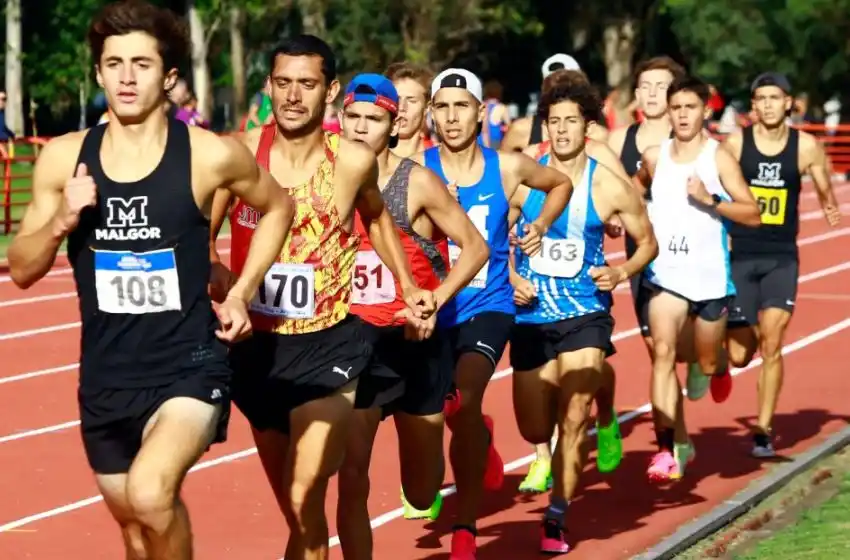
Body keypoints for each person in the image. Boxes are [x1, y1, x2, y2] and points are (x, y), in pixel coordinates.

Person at [8, 2, 295, 559]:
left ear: (168, 77)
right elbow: (21, 268)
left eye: (141, 64)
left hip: (188, 366)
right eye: (114, 63)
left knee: (151, 492)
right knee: (137, 534)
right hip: (106, 374)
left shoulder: (208, 156)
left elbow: (277, 208)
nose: (126, 76)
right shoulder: (65, 160)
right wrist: (64, 221)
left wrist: (240, 291)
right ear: (98, 73)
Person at [208, 35, 435, 560]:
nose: (292, 96)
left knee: (305, 490)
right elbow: (204, 226)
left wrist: (408, 284)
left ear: (329, 90)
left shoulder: (352, 161)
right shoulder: (243, 154)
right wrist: (216, 268)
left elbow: (377, 217)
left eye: (306, 84)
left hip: (331, 345)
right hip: (257, 351)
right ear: (268, 86)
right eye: (282, 83)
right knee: (300, 515)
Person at [405, 67, 573, 559]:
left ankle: (465, 526)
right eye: (443, 107)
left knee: (463, 394)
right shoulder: (416, 167)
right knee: (451, 415)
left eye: (462, 107)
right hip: (434, 309)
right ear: (431, 115)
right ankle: (482, 438)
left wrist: (540, 224)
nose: (452, 117)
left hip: (489, 305)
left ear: (481, 112)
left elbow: (559, 183)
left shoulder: (507, 167)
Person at [334, 73, 489, 559]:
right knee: (351, 471)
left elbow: (475, 249)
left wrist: (435, 299)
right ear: (339, 120)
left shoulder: (416, 181)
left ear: (393, 124)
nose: (361, 129)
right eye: (353, 118)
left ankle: (450, 435)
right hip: (353, 345)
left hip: (416, 344)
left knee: (422, 492)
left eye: (373, 119)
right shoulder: (323, 177)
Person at [509, 71, 658, 555]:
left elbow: (647, 243)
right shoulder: (523, 176)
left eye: (571, 121)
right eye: (554, 122)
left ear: (587, 126)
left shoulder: (609, 184)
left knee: (574, 417)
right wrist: (512, 278)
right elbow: (488, 238)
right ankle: (554, 459)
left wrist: (620, 273)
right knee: (535, 427)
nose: (562, 131)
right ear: (545, 127)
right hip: (531, 315)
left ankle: (556, 515)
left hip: (585, 316)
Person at [633, 75, 761, 482]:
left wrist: (712, 200)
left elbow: (753, 212)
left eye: (691, 107)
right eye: (677, 108)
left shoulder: (717, 157)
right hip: (666, 275)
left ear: (706, 111)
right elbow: (633, 193)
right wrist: (623, 220)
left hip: (709, 279)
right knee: (664, 354)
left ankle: (719, 365)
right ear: (667, 113)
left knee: (703, 360)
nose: (683, 115)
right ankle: (666, 449)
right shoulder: (655, 157)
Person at [721, 72, 841, 457]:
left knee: (773, 343)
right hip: (741, 253)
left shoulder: (805, 147)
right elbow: (715, 185)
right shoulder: (737, 145)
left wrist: (830, 208)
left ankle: (762, 429)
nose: (769, 104)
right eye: (761, 98)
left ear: (789, 103)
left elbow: (824, 185)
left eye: (776, 97)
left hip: (781, 257)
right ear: (753, 106)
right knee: (741, 353)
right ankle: (720, 360)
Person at [608, 56, 685, 349]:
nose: (652, 94)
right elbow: (606, 190)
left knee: (684, 342)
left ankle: (706, 355)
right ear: (636, 94)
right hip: (640, 248)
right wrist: (610, 217)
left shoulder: (688, 138)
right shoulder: (617, 141)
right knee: (656, 346)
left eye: (660, 87)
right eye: (645, 87)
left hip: (684, 249)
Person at [385, 62, 436, 157]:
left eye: (411, 101)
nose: (402, 107)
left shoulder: (441, 159)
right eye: (396, 99)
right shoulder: (367, 157)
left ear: (427, 108)